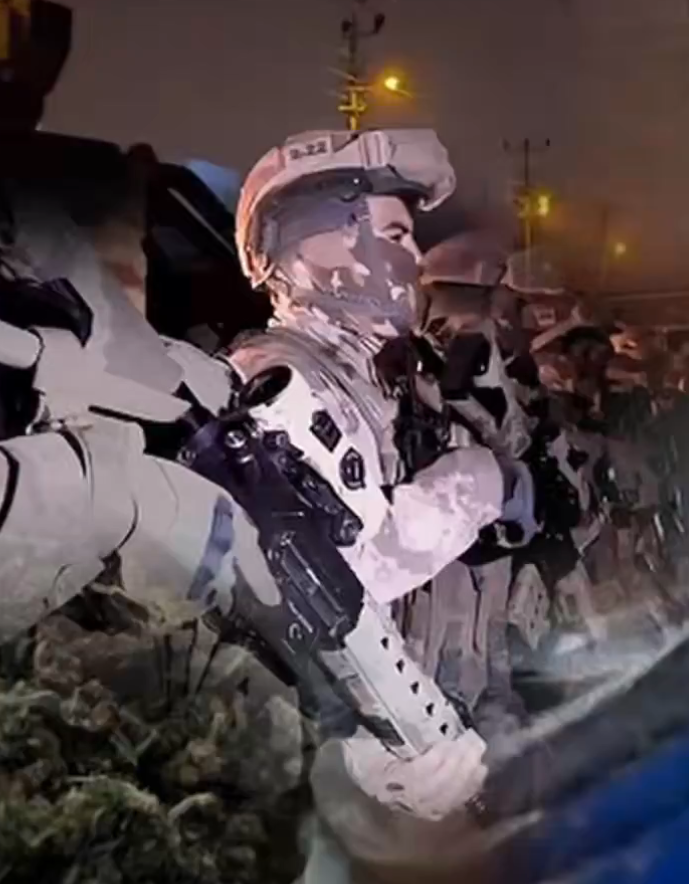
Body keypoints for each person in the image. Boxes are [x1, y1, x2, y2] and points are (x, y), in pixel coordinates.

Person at [229, 129, 541, 818]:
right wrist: (482, 481)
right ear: (321, 247)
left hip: (452, 738)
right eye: (396, 234)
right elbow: (339, 579)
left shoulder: (395, 381)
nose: (417, 259)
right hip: (353, 776)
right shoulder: (274, 385)